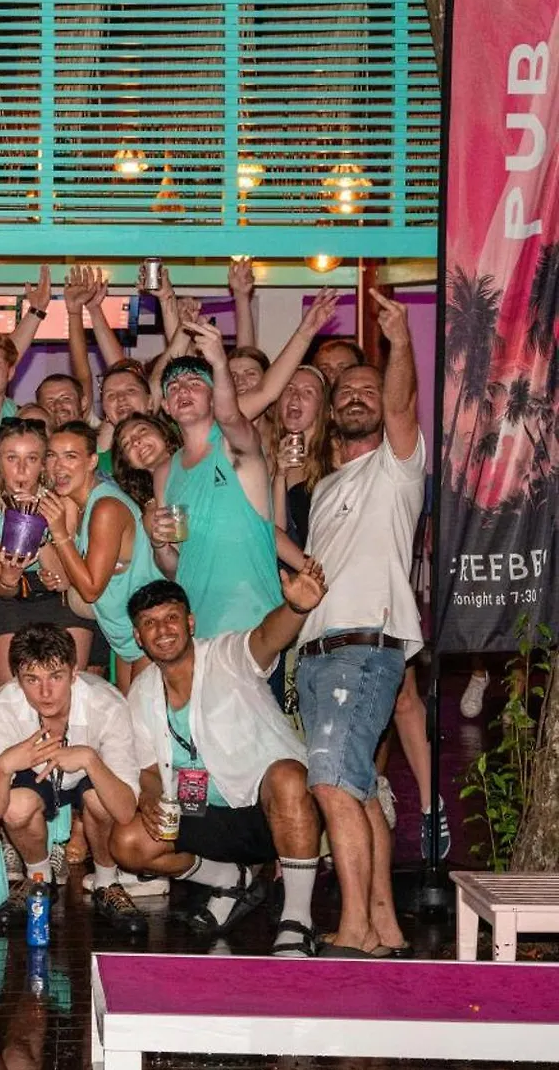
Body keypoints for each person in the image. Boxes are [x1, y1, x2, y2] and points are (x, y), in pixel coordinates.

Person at [294, 287, 422, 958]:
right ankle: (383, 927)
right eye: (345, 391)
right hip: (318, 656)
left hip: (363, 650)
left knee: (329, 784)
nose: (356, 397)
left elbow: (400, 404)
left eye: (367, 390)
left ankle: (349, 932)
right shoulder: (324, 487)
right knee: (359, 789)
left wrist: (399, 342)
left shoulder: (397, 468)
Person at [113, 573, 327, 956]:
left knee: (288, 776)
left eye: (171, 618)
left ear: (190, 622)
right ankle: (229, 878)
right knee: (127, 843)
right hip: (201, 813)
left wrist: (295, 608)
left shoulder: (225, 655)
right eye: (150, 623)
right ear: (138, 636)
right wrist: (149, 799)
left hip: (269, 812)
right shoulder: (142, 691)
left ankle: (297, 919)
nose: (162, 630)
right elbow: (148, 769)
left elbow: (265, 638)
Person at [0, 623, 145, 937]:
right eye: (32, 679)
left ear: (74, 672)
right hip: (34, 775)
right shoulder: (3, 707)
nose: (45, 692)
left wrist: (90, 760)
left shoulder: (106, 704)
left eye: (55, 676)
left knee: (101, 800)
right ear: (17, 679)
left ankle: (107, 882)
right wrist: (3, 767)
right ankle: (39, 880)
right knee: (15, 806)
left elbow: (124, 812)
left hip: (88, 774)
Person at [149, 325, 283, 637]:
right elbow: (174, 566)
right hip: (197, 625)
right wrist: (158, 544)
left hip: (252, 621)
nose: (183, 390)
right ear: (166, 406)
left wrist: (220, 364)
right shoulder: (165, 471)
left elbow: (231, 417)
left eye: (195, 383)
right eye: (173, 387)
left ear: (213, 397)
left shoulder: (235, 444)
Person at [40, 421, 159, 689]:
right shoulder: (80, 506)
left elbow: (91, 590)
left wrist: (59, 533)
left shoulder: (106, 508)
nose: (58, 466)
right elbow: (76, 579)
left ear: (92, 461)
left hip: (151, 631)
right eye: (52, 456)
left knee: (144, 714)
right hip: (126, 637)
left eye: (70, 456)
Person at [0, 418, 92, 686]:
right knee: (11, 692)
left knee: (69, 686)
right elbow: (1, 587)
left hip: (61, 598)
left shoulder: (61, 502)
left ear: (43, 464)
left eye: (31, 459)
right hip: (11, 597)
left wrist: (36, 528)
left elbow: (64, 580)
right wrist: (9, 578)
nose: (21, 469)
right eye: (12, 458)